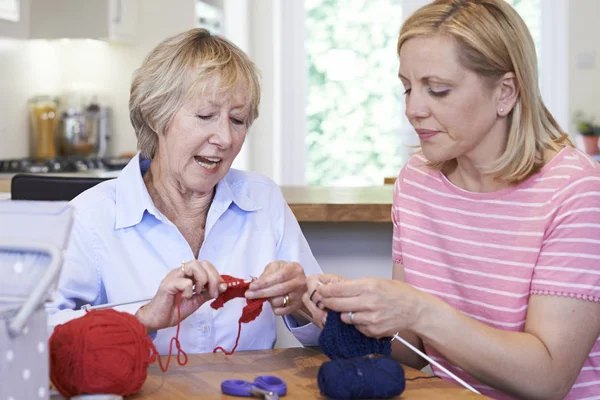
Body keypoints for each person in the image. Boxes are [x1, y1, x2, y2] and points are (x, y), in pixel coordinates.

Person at [304, 1, 600, 399]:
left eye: (438, 90)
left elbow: (547, 379)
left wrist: (418, 308)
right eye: (407, 87)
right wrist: (352, 312)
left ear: (505, 91)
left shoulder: (577, 192)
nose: (413, 109)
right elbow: (410, 348)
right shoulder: (417, 183)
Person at [46, 28, 322, 355]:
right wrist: (142, 319)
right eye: (205, 116)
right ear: (154, 115)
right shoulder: (91, 216)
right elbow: (34, 333)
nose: (225, 138)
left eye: (238, 120)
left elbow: (328, 337)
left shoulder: (263, 200)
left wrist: (303, 300)